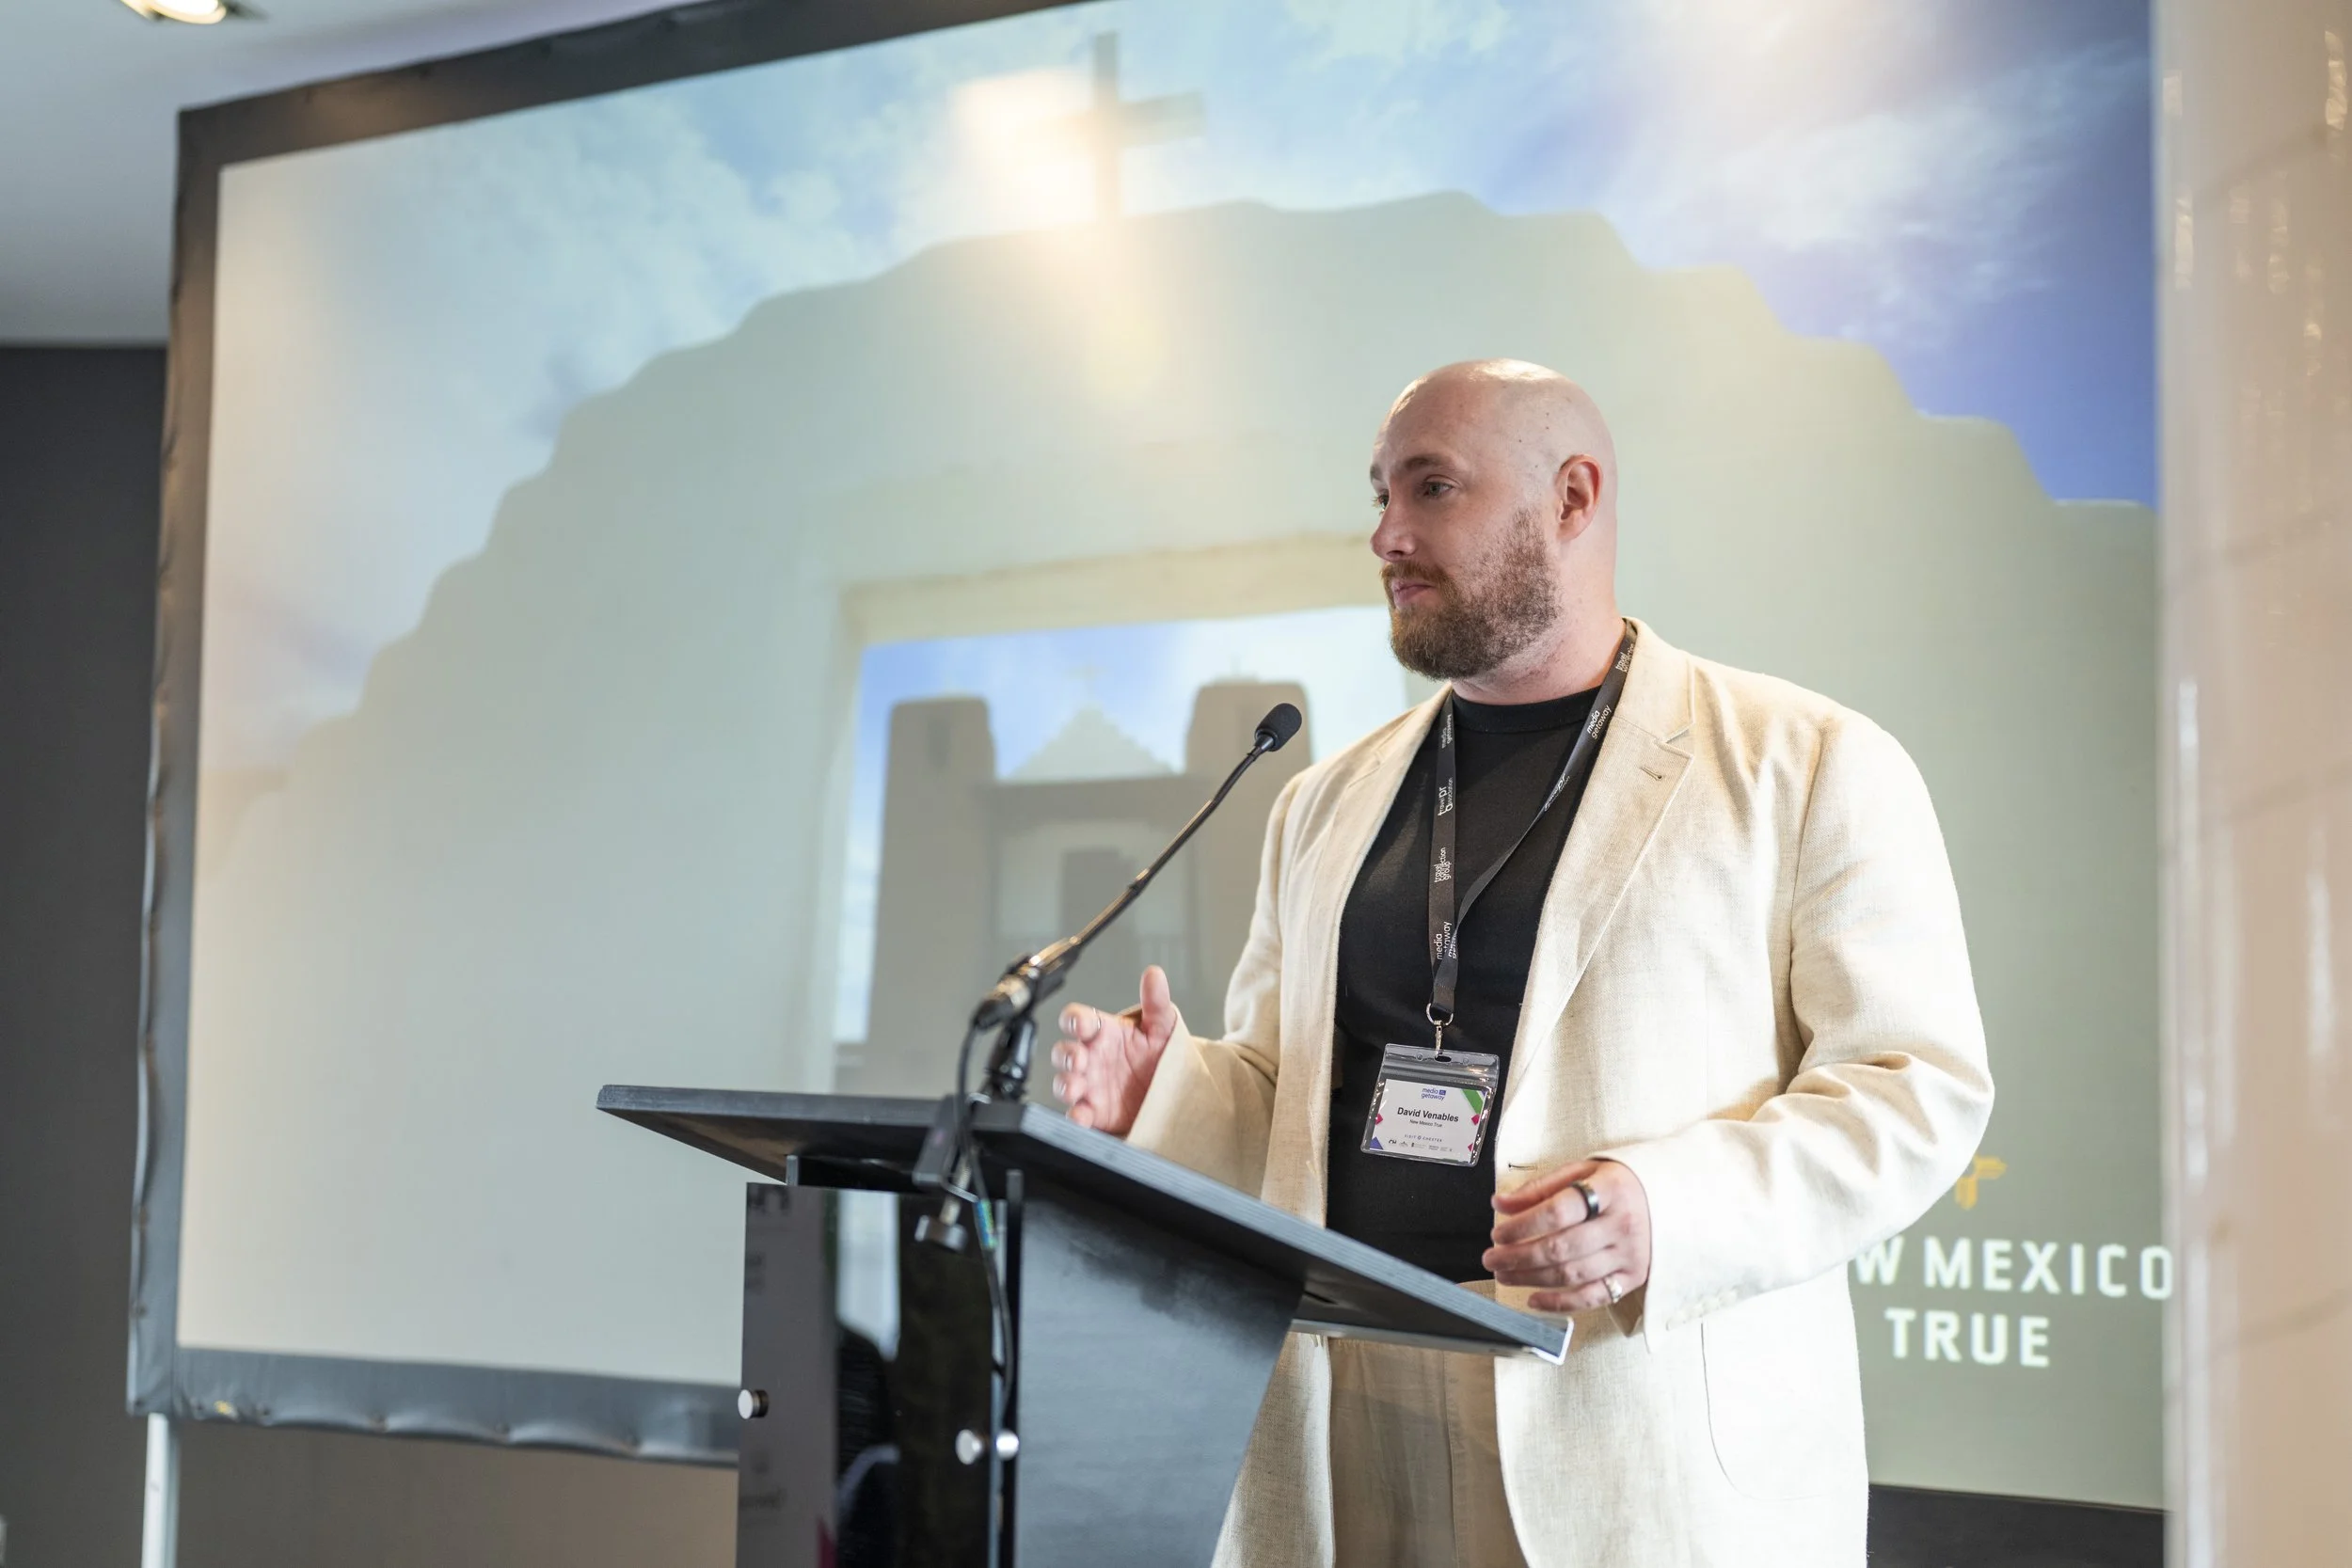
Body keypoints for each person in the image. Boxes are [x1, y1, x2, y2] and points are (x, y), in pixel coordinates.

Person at [1049, 359, 1994, 1567]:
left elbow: (1914, 1087)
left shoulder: (1803, 762)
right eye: (1380, 495)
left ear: (1573, 496)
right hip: (1350, 1412)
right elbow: (1295, 1110)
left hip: (1633, 1441)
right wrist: (1168, 1097)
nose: (1386, 533)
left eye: (1430, 487)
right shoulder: (1322, 801)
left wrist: (1664, 1209)